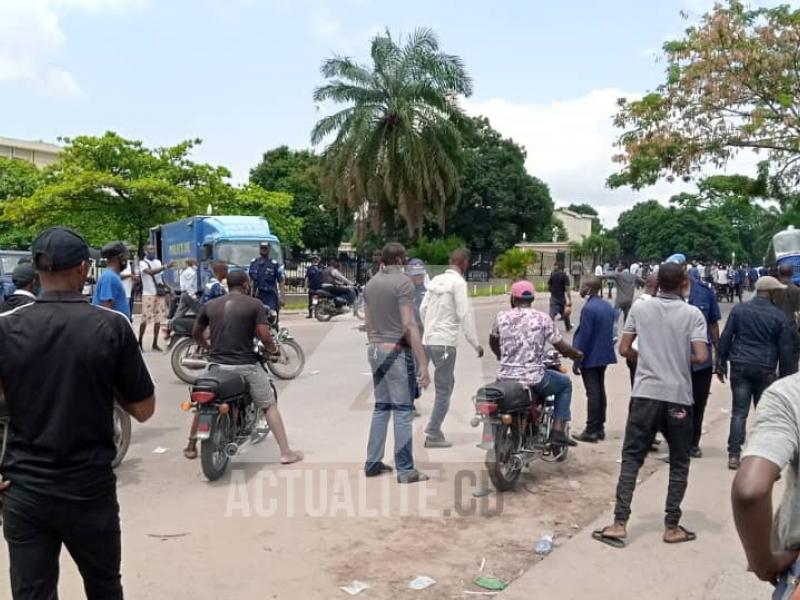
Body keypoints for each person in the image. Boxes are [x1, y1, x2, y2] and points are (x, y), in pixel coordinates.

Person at [0, 226, 155, 599]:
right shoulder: (111, 326)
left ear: (36, 270)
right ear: (84, 268)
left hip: (24, 491)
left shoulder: (5, 328)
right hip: (89, 488)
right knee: (104, 586)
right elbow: (144, 410)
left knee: (32, 593)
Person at [593, 263, 708, 548]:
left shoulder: (640, 309)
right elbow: (702, 355)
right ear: (684, 283)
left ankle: (619, 523)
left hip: (645, 393)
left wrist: (646, 360)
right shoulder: (693, 314)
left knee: (632, 457)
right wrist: (678, 361)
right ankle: (671, 526)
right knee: (679, 461)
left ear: (656, 284)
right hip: (679, 396)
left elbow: (624, 349)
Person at [187, 270, 302, 464]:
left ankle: (190, 446)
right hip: (245, 365)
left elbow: (196, 333)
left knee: (203, 403)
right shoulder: (254, 304)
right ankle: (286, 453)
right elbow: (265, 336)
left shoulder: (211, 305)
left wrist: (208, 347)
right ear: (246, 285)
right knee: (268, 405)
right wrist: (274, 351)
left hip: (216, 365)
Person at [363, 242, 431, 484]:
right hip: (396, 351)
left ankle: (372, 462)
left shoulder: (371, 283)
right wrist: (423, 362)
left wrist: (375, 343)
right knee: (403, 410)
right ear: (401, 260)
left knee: (381, 408)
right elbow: (409, 324)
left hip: (375, 349)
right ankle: (405, 470)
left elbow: (368, 321)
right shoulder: (403, 283)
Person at [717, 275, 798, 470]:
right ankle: (760, 459)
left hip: (740, 365)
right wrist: (787, 379)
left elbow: (726, 338)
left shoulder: (740, 310)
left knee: (739, 412)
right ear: (770, 293)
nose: (780, 295)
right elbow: (785, 350)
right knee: (764, 416)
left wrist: (720, 363)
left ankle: (734, 455)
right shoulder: (779, 317)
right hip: (765, 368)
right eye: (777, 292)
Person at [489, 280, 583, 447]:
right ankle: (558, 431)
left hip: (505, 378)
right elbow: (561, 347)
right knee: (565, 384)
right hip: (534, 378)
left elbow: (493, 341)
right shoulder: (543, 318)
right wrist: (576, 354)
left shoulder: (501, 317)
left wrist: (501, 356)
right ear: (532, 299)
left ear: (513, 298)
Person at [731, 371, 800, 590]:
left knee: (739, 411)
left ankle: (733, 450)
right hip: (763, 365)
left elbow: (750, 489)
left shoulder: (790, 394)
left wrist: (764, 564)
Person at [419, 249, 483, 448]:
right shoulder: (459, 283)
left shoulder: (436, 280)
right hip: (445, 343)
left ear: (450, 261)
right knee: (444, 390)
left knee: (446, 383)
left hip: (428, 341)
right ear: (464, 263)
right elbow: (464, 315)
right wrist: (476, 344)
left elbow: (422, 309)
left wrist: (429, 329)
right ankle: (433, 432)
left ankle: (431, 425)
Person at [666, 253, 721, 459]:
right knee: (675, 404)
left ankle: (693, 443)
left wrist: (718, 354)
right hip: (675, 360)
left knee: (698, 402)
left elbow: (713, 324)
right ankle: (677, 443)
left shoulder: (705, 293)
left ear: (685, 269)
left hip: (701, 362)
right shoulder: (666, 294)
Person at [572, 277, 617, 443]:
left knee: (592, 392)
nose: (581, 288)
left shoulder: (589, 309)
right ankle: (599, 427)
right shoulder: (607, 306)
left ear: (590, 289)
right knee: (599, 390)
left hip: (590, 355)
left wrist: (577, 359)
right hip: (603, 354)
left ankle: (591, 429)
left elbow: (585, 336)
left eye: (584, 285)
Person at [139, 244, 173, 351]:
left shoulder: (157, 262)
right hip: (148, 294)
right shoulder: (142, 263)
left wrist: (169, 288)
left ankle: (154, 343)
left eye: (153, 249)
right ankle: (139, 342)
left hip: (159, 294)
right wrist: (166, 266)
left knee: (158, 320)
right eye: (150, 249)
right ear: (145, 251)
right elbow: (151, 272)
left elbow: (160, 278)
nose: (152, 251)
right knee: (145, 319)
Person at [600, 263, 644, 340]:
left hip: (619, 302)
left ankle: (614, 336)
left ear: (623, 269)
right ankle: (626, 336)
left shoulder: (619, 275)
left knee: (615, 320)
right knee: (627, 321)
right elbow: (643, 281)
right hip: (629, 302)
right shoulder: (633, 276)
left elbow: (606, 276)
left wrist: (597, 277)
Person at [92, 241, 131, 320]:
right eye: (126, 255)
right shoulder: (109, 277)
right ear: (121, 257)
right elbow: (106, 310)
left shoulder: (112, 276)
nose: (127, 259)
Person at [249, 242, 284, 313]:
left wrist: (281, 297)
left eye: (265, 248)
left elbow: (281, 281)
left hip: (270, 295)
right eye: (262, 248)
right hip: (257, 295)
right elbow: (251, 281)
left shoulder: (274, 264)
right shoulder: (254, 263)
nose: (263, 250)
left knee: (272, 316)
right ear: (259, 249)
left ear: (269, 249)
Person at [777, 264, 800, 367]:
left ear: (778, 274)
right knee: (792, 357)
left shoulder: (773, 289)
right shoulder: (796, 290)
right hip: (790, 327)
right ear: (792, 274)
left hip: (774, 326)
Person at [547, 263, 573, 332]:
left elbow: (548, 286)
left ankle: (549, 327)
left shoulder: (553, 275)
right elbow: (567, 288)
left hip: (554, 296)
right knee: (564, 312)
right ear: (563, 268)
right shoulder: (565, 276)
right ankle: (568, 327)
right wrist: (570, 299)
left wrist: (552, 291)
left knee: (552, 313)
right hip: (561, 297)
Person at [407, 258, 427, 327]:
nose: (418, 277)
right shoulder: (405, 291)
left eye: (420, 274)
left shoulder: (429, 289)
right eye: (415, 274)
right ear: (409, 275)